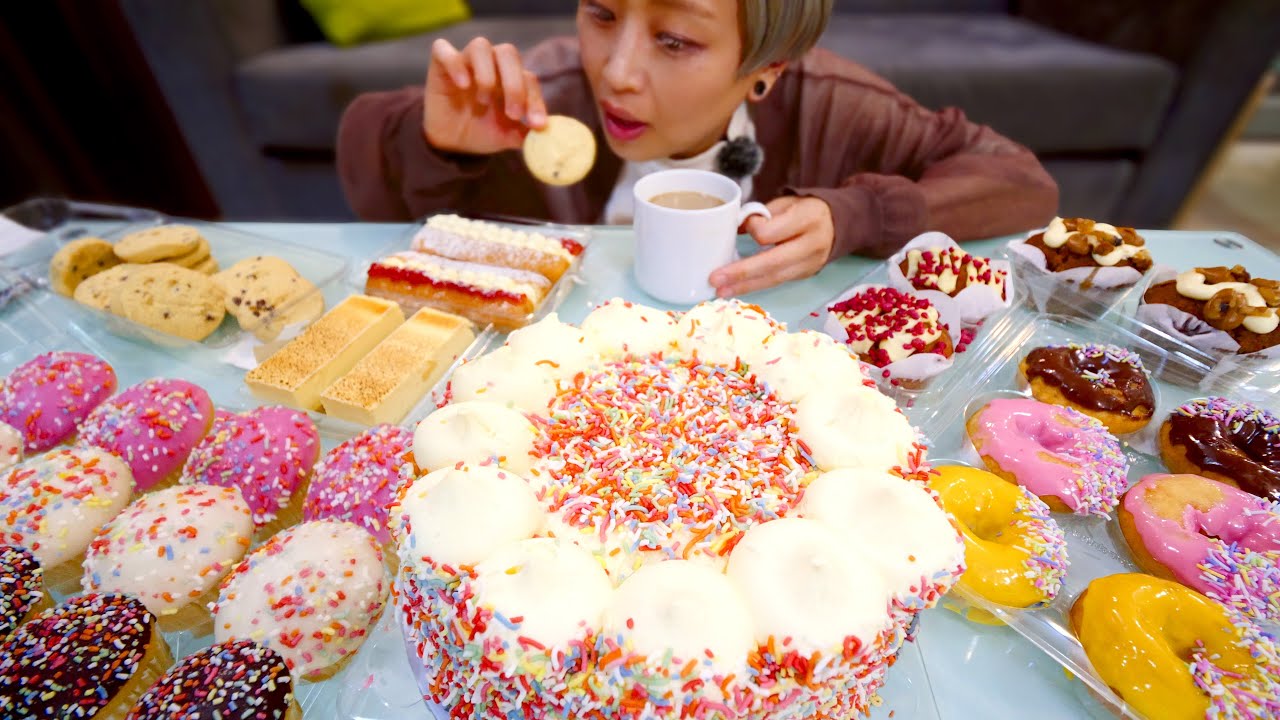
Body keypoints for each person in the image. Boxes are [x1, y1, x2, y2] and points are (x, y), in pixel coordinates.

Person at [337, 0, 1057, 298]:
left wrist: (860, 214)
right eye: (602, 14)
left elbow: (1022, 183)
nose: (614, 72)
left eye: (674, 39)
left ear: (765, 71)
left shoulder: (839, 105)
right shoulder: (540, 94)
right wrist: (434, 142)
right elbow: (388, 228)